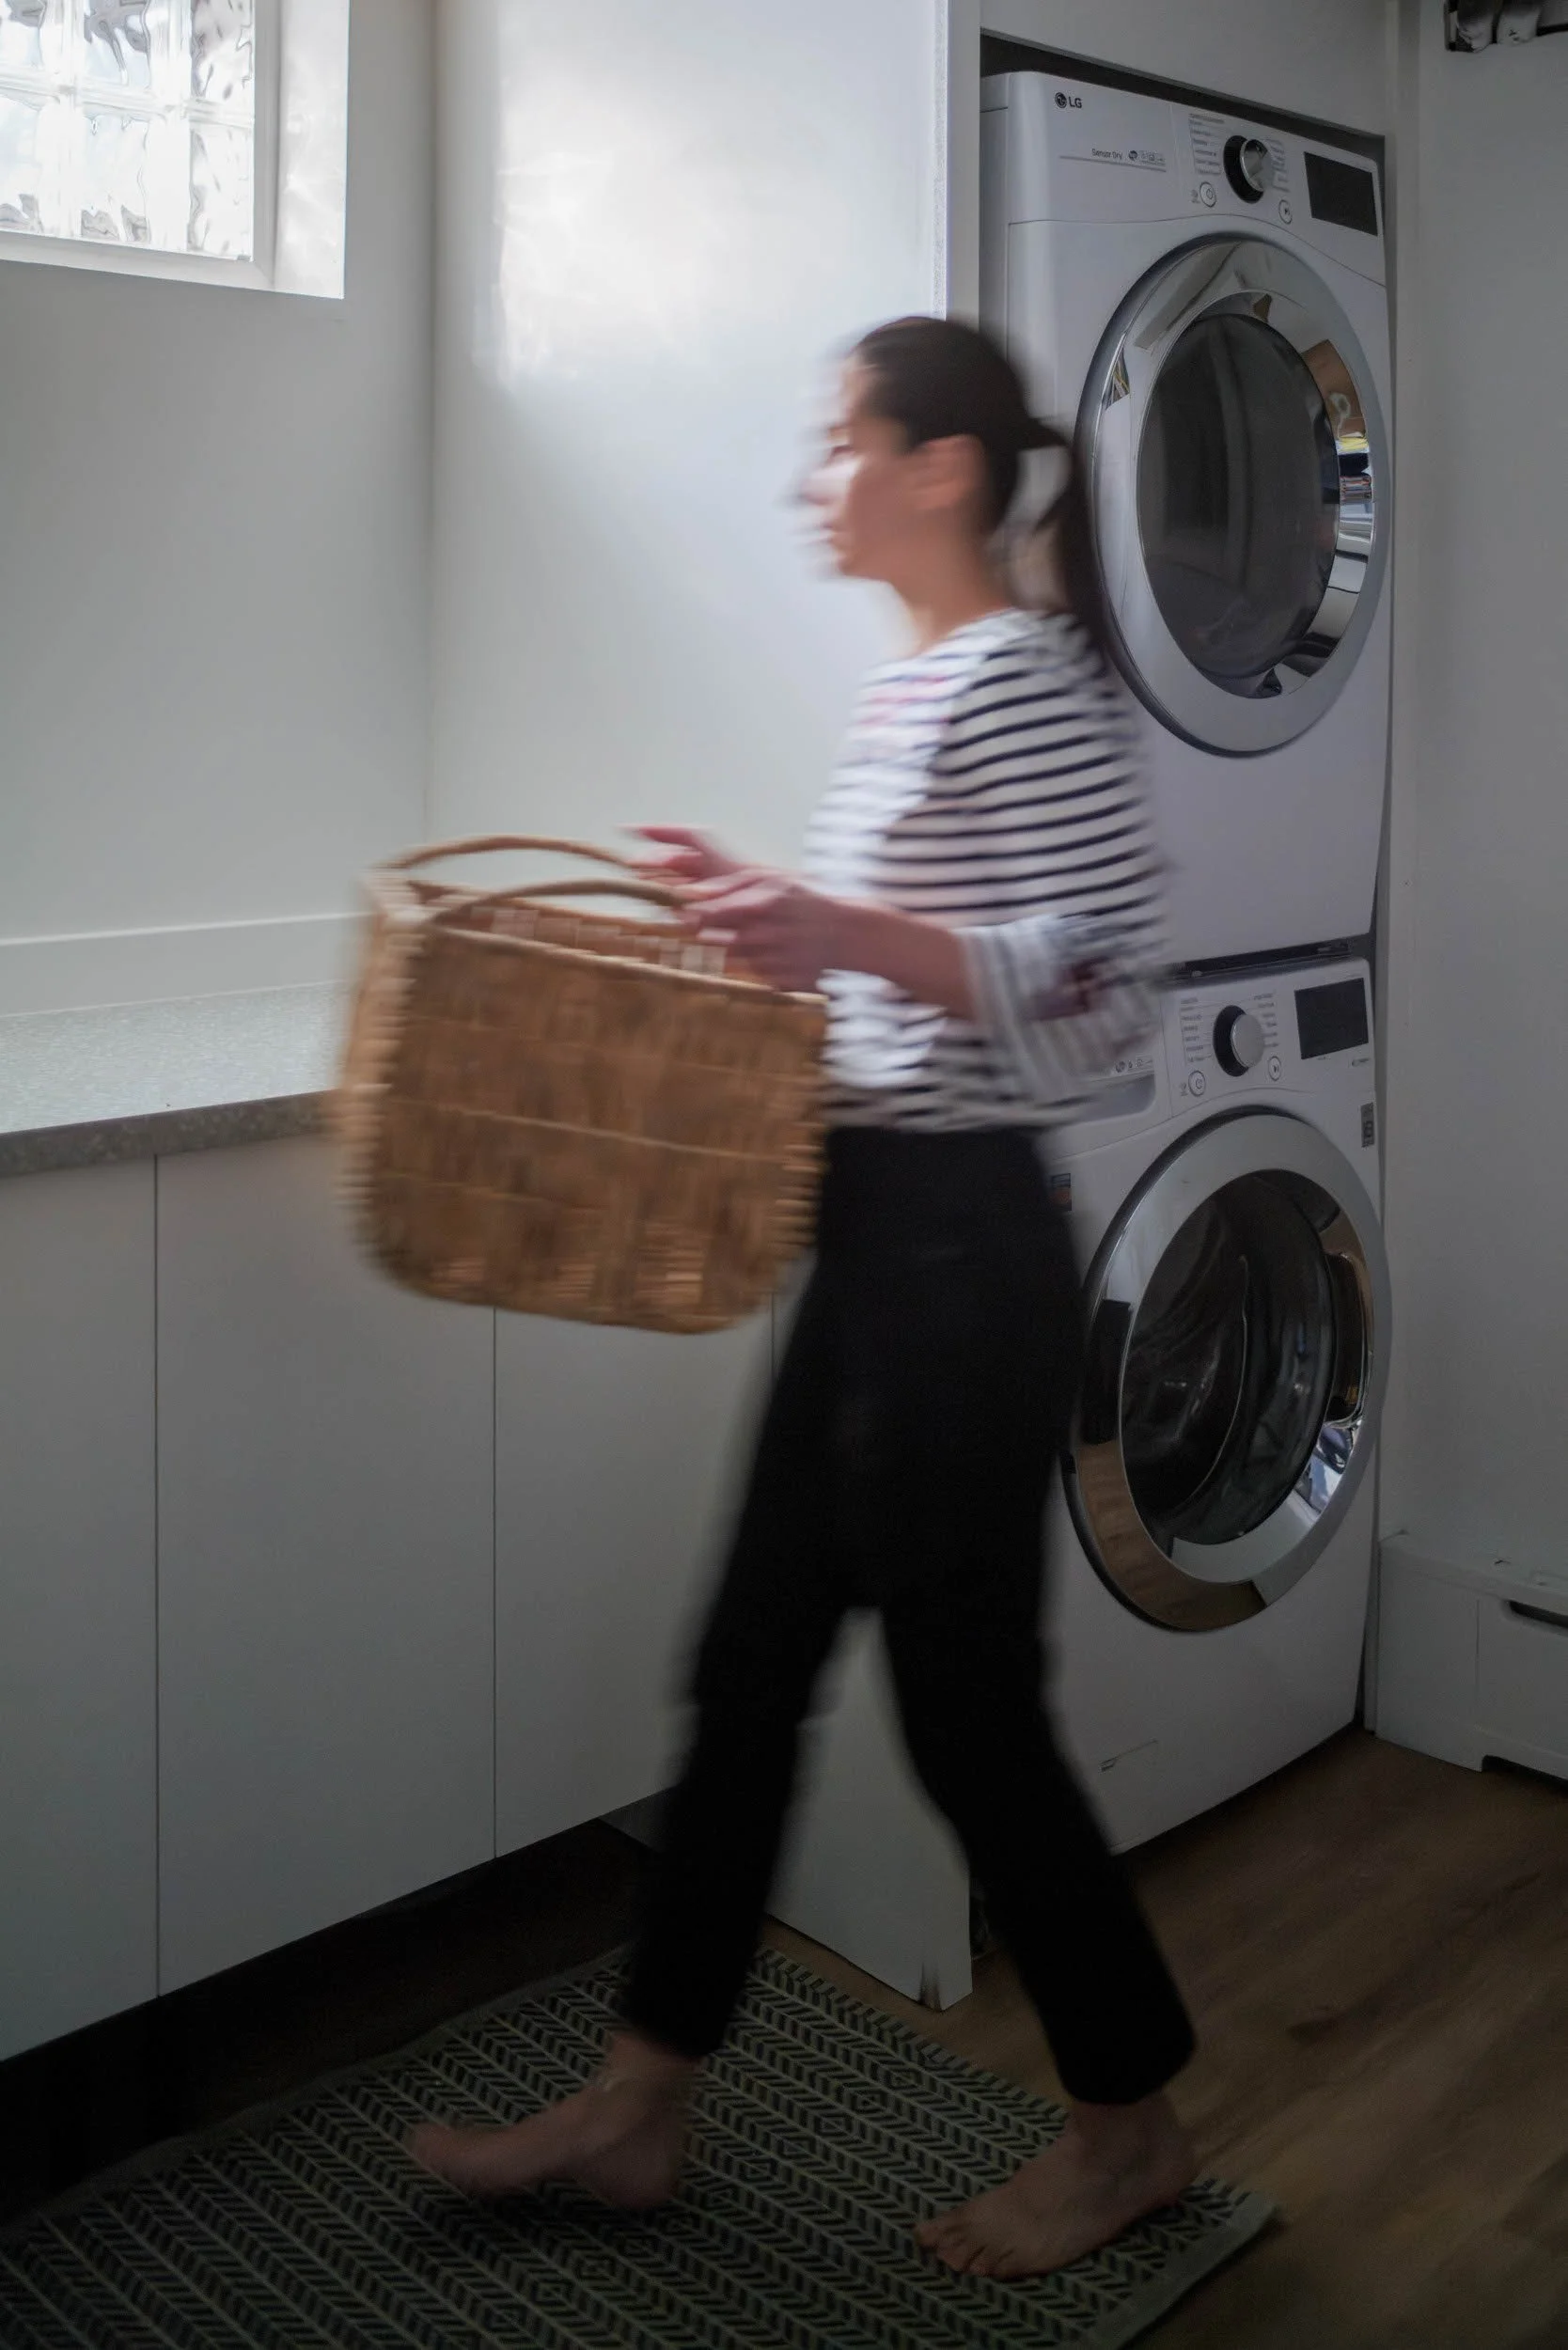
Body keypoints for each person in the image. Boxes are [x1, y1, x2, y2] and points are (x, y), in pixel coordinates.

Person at [409, 314, 1197, 2281]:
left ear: (940, 468)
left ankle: (1129, 2130)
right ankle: (639, 2104)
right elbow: (924, 980)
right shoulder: (919, 684)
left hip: (960, 1263)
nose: (808, 475)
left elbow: (1103, 987)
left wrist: (830, 923)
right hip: (875, 1244)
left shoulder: (1018, 677)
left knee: (963, 1716)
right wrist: (774, 942)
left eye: (839, 437)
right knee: (751, 1666)